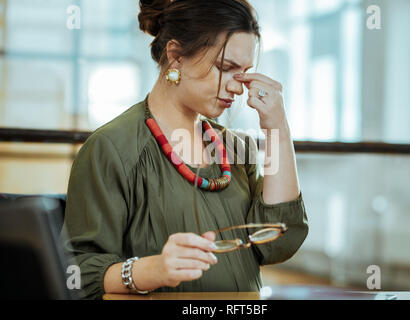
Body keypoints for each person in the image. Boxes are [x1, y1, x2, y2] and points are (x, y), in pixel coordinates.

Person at [63, 0, 309, 300]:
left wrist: (277, 128)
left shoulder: (236, 147)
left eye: (244, 72)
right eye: (225, 68)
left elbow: (277, 242)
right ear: (176, 56)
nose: (237, 87)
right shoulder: (113, 147)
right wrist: (155, 269)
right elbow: (79, 274)